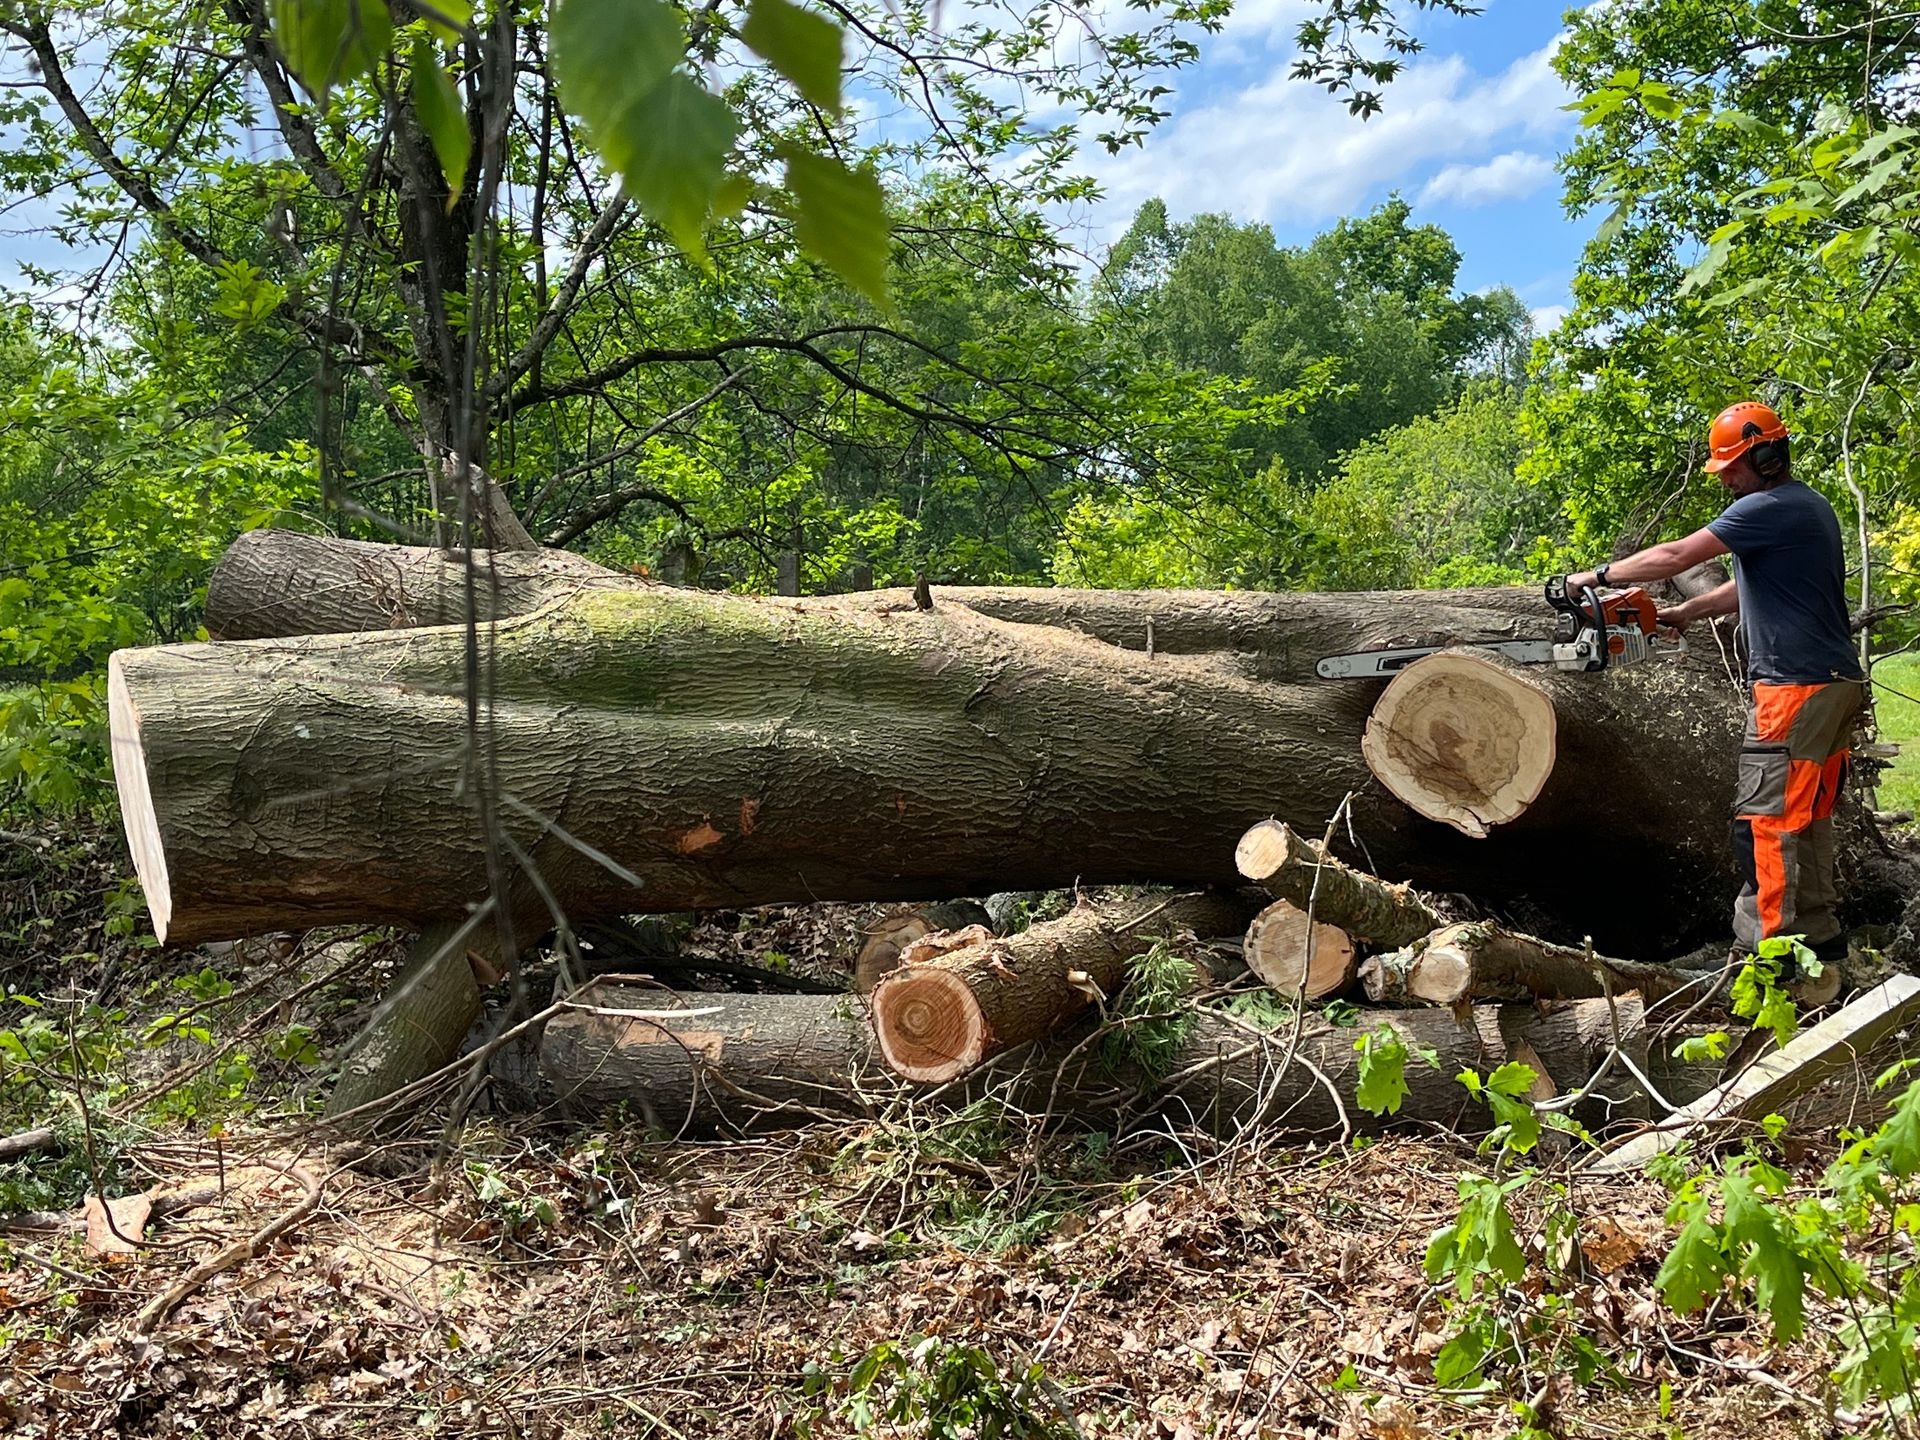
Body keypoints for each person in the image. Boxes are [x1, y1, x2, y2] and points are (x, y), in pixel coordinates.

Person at [1564, 401, 1865, 967]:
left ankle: (1771, 956)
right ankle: (1821, 938)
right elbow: (1743, 589)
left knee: (1764, 823)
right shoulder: (1808, 507)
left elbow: (1677, 554)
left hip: (1793, 690)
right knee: (1809, 816)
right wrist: (1685, 613)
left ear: (1768, 457)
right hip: (1833, 684)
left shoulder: (1769, 507)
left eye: (1731, 465)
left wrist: (1594, 577)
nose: (1724, 476)